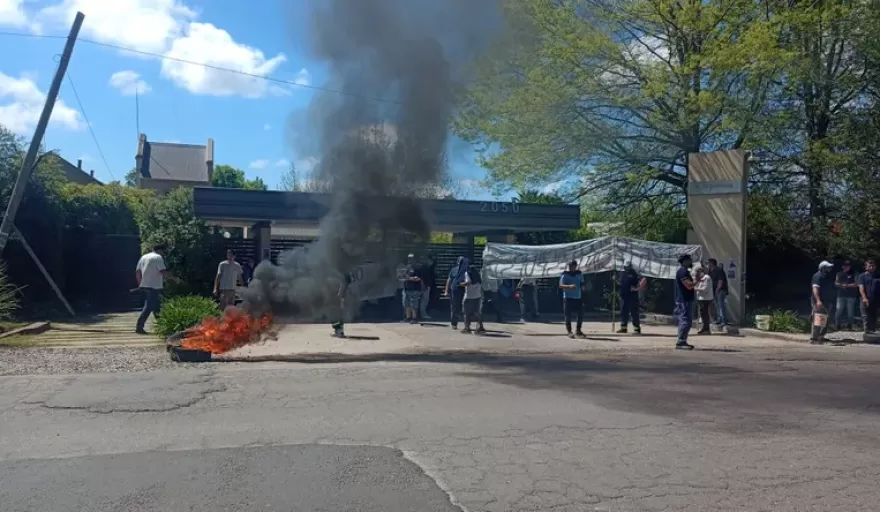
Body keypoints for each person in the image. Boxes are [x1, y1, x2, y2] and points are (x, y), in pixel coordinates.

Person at [134, 243, 173, 335]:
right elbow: (162, 271)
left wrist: (140, 284)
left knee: (157, 307)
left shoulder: (144, 257)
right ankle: (139, 327)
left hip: (146, 285)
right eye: (164, 251)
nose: (164, 253)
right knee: (149, 307)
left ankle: (162, 326)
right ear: (161, 250)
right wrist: (173, 278)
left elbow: (138, 272)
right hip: (154, 285)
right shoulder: (158, 257)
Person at [810, 260, 836, 344]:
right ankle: (814, 338)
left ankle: (821, 337)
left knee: (825, 320)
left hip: (827, 301)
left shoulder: (827, 276)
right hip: (819, 301)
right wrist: (818, 300)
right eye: (828, 267)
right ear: (823, 268)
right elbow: (815, 288)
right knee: (818, 319)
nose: (830, 268)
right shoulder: (817, 276)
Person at [674, 254, 696, 350]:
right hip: (684, 300)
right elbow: (689, 285)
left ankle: (682, 340)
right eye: (690, 260)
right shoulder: (682, 272)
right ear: (685, 261)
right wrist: (698, 279)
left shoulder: (685, 271)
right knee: (686, 321)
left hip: (685, 299)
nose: (691, 262)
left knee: (685, 320)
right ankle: (681, 341)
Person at [559, 260, 585, 339]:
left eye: (573, 266)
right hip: (568, 298)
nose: (571, 267)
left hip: (578, 297)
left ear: (575, 266)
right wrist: (569, 286)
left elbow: (582, 283)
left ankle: (578, 330)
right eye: (570, 266)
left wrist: (583, 287)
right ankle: (569, 331)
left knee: (580, 314)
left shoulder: (579, 274)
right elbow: (561, 286)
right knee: (568, 315)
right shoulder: (565, 275)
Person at [617, 261, 642, 334]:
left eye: (628, 267)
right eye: (625, 267)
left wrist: (636, 288)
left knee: (634, 312)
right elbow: (620, 282)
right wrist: (615, 280)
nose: (626, 268)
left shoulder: (634, 273)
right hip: (624, 295)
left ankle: (637, 329)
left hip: (632, 296)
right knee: (623, 312)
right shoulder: (622, 273)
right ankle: (623, 328)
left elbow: (640, 283)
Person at [444, 256, 469, 329]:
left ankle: (454, 324)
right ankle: (462, 324)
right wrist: (446, 290)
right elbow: (449, 280)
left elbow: (449, 280)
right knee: (461, 306)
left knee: (455, 307)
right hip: (460, 290)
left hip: (458, 290)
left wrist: (446, 291)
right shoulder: (463, 269)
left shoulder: (457, 269)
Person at [461, 265, 486, 334]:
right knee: (477, 312)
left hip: (469, 296)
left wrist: (461, 284)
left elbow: (468, 282)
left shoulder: (467, 273)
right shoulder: (478, 275)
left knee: (466, 313)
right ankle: (480, 326)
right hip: (477, 296)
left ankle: (467, 328)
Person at [834, 260, 858, 331]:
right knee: (838, 310)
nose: (846, 267)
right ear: (842, 266)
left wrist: (846, 285)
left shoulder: (855, 273)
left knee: (850, 312)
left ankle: (850, 325)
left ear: (850, 266)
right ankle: (837, 325)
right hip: (841, 295)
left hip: (851, 296)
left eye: (848, 266)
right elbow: (836, 283)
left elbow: (856, 284)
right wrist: (842, 285)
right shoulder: (839, 273)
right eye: (845, 265)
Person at [858, 259, 879, 333]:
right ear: (866, 267)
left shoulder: (877, 276)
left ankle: (872, 330)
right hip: (865, 299)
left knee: (874, 315)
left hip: (875, 299)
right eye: (870, 266)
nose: (872, 267)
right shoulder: (862, 276)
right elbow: (861, 288)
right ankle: (866, 331)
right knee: (865, 316)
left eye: (873, 266)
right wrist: (864, 297)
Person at [332, 271, 353, 338]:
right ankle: (338, 331)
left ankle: (340, 332)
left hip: (342, 301)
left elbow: (340, 293)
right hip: (343, 300)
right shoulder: (346, 282)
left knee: (339, 317)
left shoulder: (343, 282)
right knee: (339, 317)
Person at [707, 258, 728, 326]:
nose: (708, 265)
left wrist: (717, 289)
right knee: (718, 305)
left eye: (708, 263)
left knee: (721, 305)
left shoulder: (718, 270)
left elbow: (720, 281)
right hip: (715, 290)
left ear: (712, 263)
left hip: (720, 290)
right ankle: (719, 319)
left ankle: (723, 321)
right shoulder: (711, 271)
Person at [694, 266, 714, 335]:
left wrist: (696, 289)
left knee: (705, 314)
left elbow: (705, 289)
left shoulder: (707, 278)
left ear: (701, 272)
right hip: (701, 298)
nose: (698, 274)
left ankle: (706, 329)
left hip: (705, 299)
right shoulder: (701, 278)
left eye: (698, 272)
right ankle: (704, 328)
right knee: (702, 314)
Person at [402, 257, 423, 324]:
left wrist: (409, 278)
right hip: (406, 289)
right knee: (406, 303)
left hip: (414, 289)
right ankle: (408, 317)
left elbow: (417, 278)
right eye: (409, 259)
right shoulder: (406, 269)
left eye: (411, 259)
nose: (410, 261)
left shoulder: (417, 269)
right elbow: (402, 277)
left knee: (413, 304)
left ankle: (414, 318)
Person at [419, 255, 436, 320]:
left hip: (426, 285)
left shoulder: (428, 267)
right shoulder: (424, 267)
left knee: (425, 300)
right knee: (424, 300)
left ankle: (423, 313)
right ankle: (423, 314)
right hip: (425, 286)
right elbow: (422, 277)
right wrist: (423, 285)